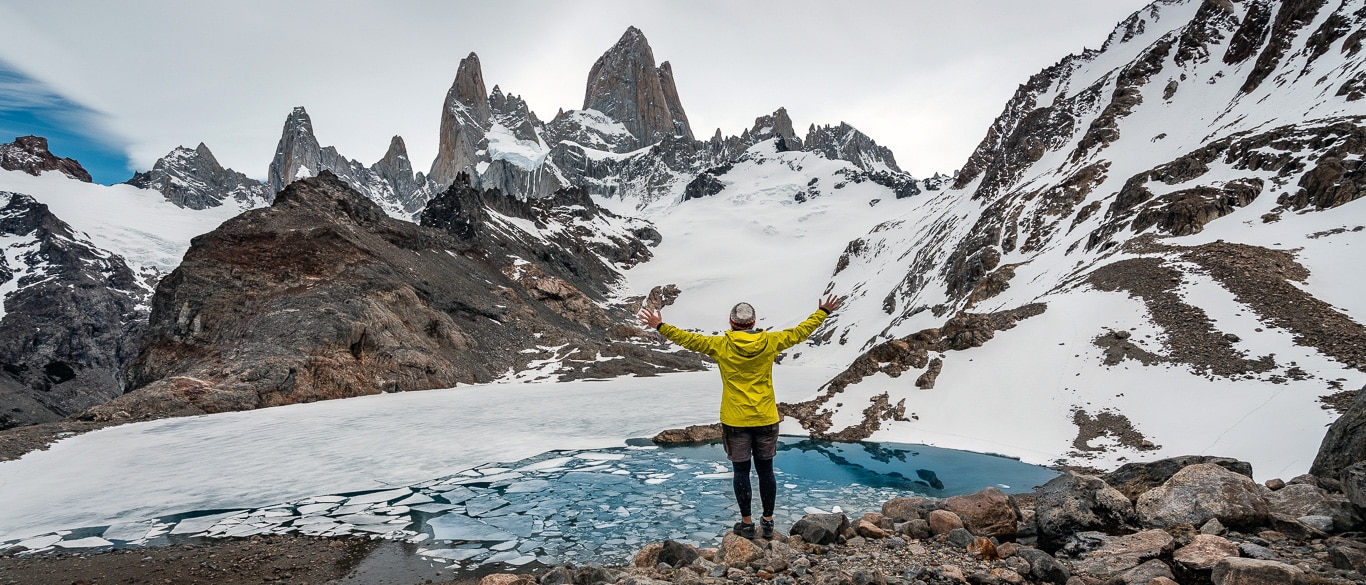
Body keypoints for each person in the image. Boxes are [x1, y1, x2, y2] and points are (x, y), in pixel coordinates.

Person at [639, 294, 843, 539]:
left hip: (735, 420)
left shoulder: (720, 345)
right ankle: (767, 523)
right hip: (765, 418)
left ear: (731, 322)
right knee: (766, 471)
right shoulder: (771, 341)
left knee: (741, 472)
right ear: (754, 321)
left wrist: (660, 326)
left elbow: (688, 339)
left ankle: (746, 524)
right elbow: (800, 332)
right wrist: (822, 312)